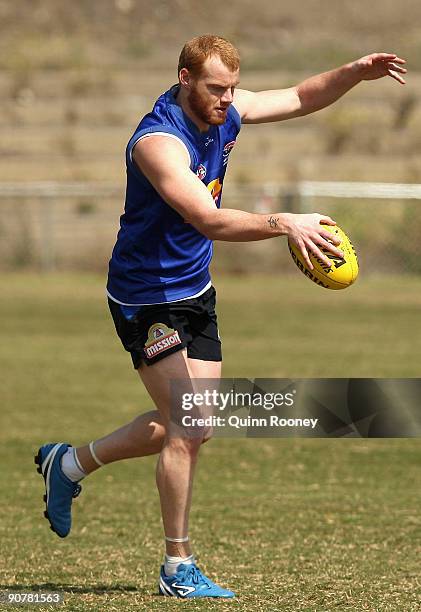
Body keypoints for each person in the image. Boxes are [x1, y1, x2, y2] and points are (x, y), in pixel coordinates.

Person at [35, 34, 406, 599]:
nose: (227, 100)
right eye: (215, 88)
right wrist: (284, 222)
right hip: (147, 299)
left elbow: (301, 98)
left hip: (195, 292)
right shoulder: (157, 142)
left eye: (232, 88)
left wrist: (355, 72)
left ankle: (69, 465)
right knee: (188, 425)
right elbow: (208, 220)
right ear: (184, 79)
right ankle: (176, 567)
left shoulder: (226, 109)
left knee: (194, 424)